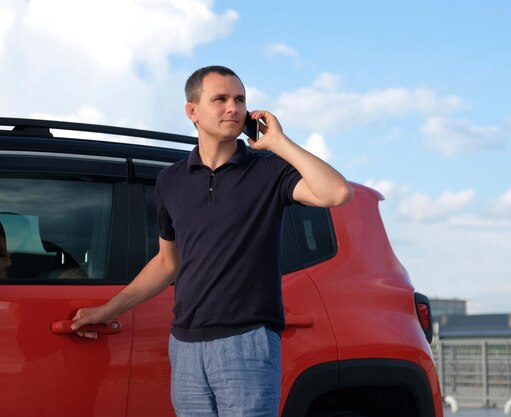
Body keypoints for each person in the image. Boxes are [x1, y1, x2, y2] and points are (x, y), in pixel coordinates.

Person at [71, 65, 353, 417]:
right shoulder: (171, 180)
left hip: (247, 342)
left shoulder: (268, 170)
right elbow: (166, 263)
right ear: (192, 111)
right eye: (220, 99)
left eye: (240, 100)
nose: (233, 108)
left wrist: (278, 143)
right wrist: (106, 311)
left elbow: (337, 193)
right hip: (185, 345)